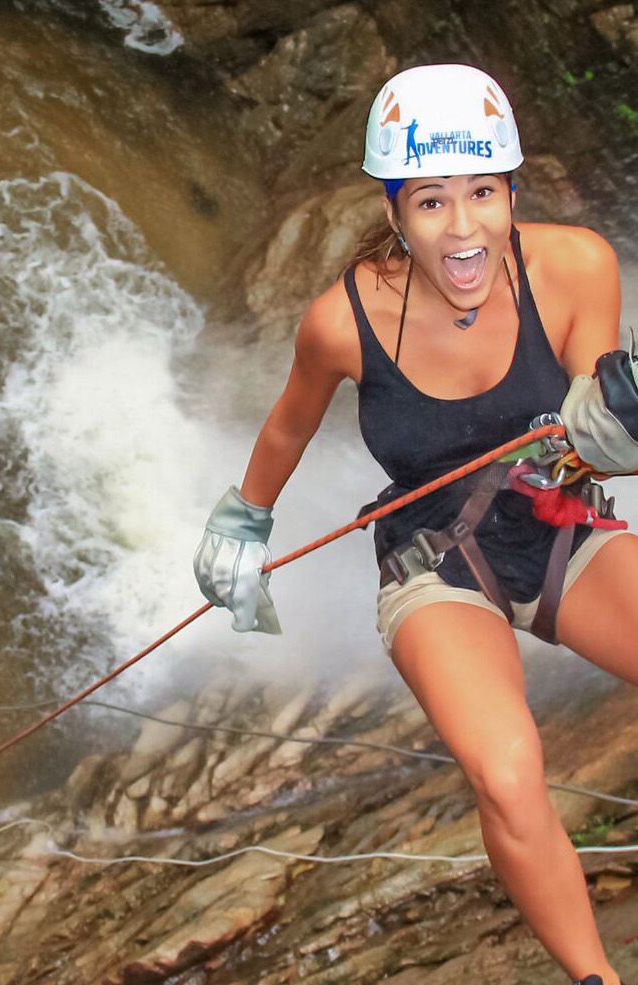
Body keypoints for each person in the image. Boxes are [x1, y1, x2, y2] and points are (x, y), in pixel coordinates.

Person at [194, 63, 636, 985]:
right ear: (393, 210)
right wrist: (241, 525)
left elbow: (588, 433)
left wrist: (608, 429)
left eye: (483, 193)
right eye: (430, 201)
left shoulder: (573, 265)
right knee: (509, 774)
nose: (463, 225)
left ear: (511, 190)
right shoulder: (341, 322)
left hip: (558, 521)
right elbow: (285, 425)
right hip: (436, 567)